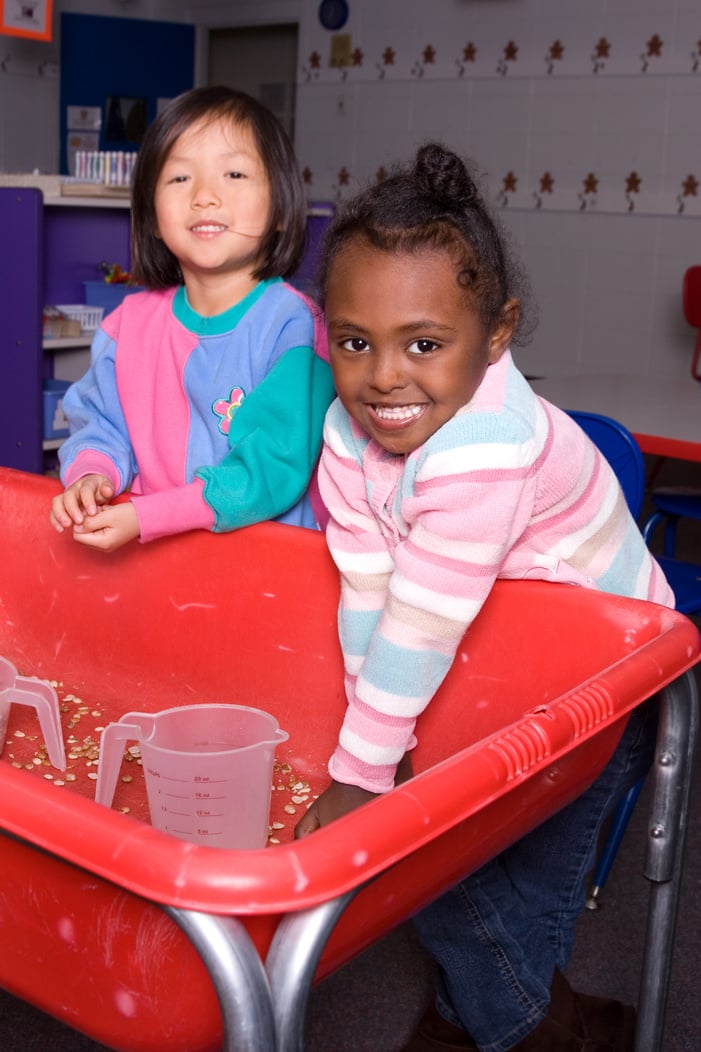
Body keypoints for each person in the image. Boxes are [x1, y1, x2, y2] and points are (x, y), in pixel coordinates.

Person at [294, 142, 673, 1052]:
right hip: (492, 663)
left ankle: (532, 1028)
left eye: (424, 344)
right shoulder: (348, 430)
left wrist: (360, 774)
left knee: (508, 878)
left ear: (496, 334)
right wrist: (373, 747)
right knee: (449, 849)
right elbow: (367, 583)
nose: (385, 376)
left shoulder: (485, 444)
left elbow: (423, 613)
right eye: (354, 342)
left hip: (611, 676)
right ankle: (527, 1018)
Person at [49, 86, 335, 552]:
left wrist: (150, 516)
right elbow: (100, 425)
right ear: (151, 212)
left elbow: (271, 469)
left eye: (235, 173)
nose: (204, 196)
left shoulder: (294, 326)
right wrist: (90, 475)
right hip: (156, 569)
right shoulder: (128, 325)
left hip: (265, 575)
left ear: (282, 206)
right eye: (179, 179)